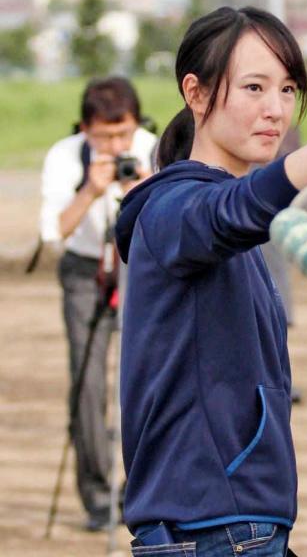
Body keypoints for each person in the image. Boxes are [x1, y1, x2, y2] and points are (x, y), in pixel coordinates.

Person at [115, 5, 307, 556]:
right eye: (254, 88)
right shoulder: (174, 209)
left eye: (287, 90)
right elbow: (242, 207)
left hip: (238, 525)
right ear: (196, 93)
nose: (275, 110)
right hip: (212, 529)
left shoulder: (210, 212)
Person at [39, 76, 157, 532]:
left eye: (123, 133)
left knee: (144, 379)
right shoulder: (63, 156)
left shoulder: (151, 147)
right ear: (85, 128)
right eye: (104, 136)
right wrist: (90, 189)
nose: (115, 144)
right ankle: (95, 496)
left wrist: (146, 188)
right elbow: (54, 234)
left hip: (138, 269)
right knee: (87, 384)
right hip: (84, 271)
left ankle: (139, 493)